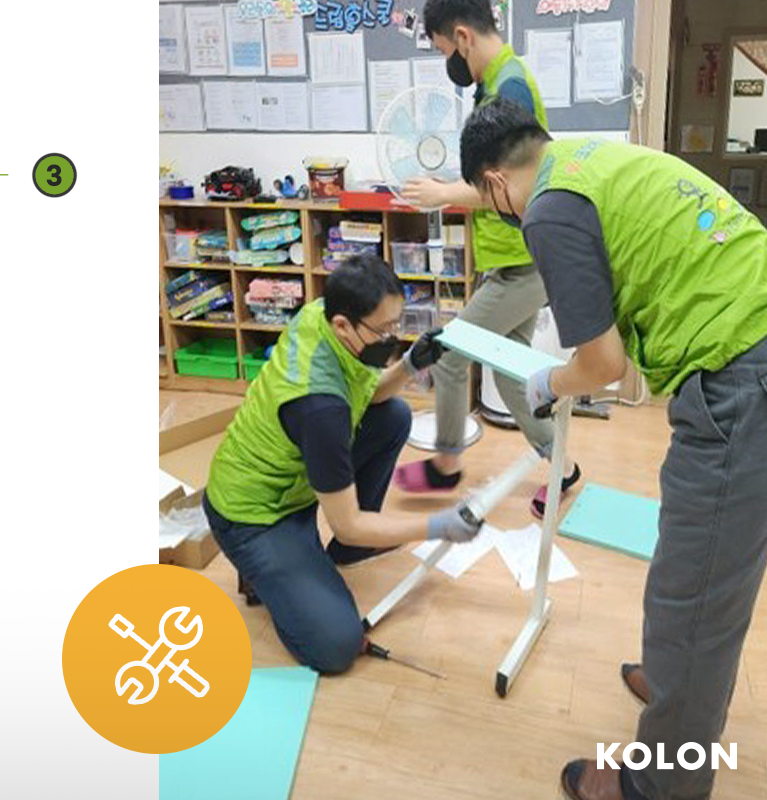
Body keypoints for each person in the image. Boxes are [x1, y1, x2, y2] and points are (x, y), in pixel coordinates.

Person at [459, 98, 767, 800]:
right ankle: (676, 686)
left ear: (495, 183)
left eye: (485, 200)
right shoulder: (587, 159)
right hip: (749, 336)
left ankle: (661, 786)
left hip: (742, 373)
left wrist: (548, 382)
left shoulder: (548, 210)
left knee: (697, 598)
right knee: (698, 565)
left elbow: (602, 365)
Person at [202, 256, 482, 675]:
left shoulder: (322, 315)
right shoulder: (320, 407)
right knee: (336, 646)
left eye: (397, 324)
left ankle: (339, 554)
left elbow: (372, 396)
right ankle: (265, 570)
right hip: (254, 514)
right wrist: (437, 526)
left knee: (394, 417)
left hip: (294, 478)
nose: (391, 337)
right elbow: (348, 522)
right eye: (384, 330)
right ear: (343, 325)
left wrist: (411, 363)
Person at [393, 0, 581, 517]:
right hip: (515, 261)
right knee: (510, 369)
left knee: (450, 355)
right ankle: (563, 466)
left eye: (443, 50)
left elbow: (511, 182)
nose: (447, 62)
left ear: (462, 36)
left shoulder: (509, 88)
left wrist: (442, 193)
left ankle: (445, 466)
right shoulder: (496, 83)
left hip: (523, 265)